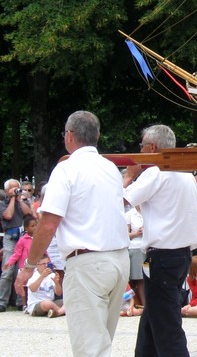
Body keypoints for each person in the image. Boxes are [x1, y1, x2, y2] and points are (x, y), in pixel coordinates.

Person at [15, 110, 130, 357]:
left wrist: (28, 266)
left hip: (88, 262)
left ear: (69, 136)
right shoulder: (110, 168)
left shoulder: (67, 169)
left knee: (90, 348)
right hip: (119, 259)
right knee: (102, 341)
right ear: (97, 135)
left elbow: (48, 223)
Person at [123, 124, 197, 357]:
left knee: (166, 323)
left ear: (153, 147)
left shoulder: (155, 172)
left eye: (142, 146)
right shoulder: (186, 174)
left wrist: (128, 176)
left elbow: (121, 201)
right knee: (153, 315)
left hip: (162, 256)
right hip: (176, 255)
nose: (139, 150)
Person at [0, 179, 33, 312]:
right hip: (10, 237)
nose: (15, 191)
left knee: (22, 269)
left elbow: (28, 214)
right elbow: (7, 215)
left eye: (16, 188)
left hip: (23, 237)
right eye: (12, 189)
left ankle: (20, 301)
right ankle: (2, 301)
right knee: (7, 270)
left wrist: (19, 199)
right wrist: (12, 199)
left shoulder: (23, 202)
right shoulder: (3, 204)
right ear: (7, 191)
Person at [126, 204, 145, 307]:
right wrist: (137, 233)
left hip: (149, 247)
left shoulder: (149, 210)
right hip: (136, 247)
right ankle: (142, 303)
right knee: (139, 278)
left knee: (148, 278)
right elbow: (125, 234)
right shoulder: (129, 214)